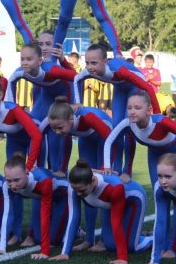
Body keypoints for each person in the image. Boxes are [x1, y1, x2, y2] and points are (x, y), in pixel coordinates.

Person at [43, 97, 121, 251]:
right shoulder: (62, 119)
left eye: (59, 128)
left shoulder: (87, 117)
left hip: (107, 141)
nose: (57, 132)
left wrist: (106, 165)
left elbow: (109, 139)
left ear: (71, 118)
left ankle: (104, 240)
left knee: (104, 189)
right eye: (54, 129)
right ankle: (89, 238)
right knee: (86, 189)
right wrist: (56, 167)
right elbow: (44, 136)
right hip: (87, 139)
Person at [51, 159, 152, 264]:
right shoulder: (75, 187)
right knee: (110, 245)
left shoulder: (114, 187)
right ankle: (138, 234)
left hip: (134, 200)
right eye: (75, 190)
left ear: (93, 181)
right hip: (111, 203)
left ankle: (152, 238)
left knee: (132, 247)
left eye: (82, 190)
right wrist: (65, 253)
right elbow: (73, 218)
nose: (78, 194)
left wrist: (122, 258)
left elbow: (116, 222)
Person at [103, 91, 176, 186]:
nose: (132, 111)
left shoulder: (161, 121)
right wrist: (107, 166)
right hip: (154, 153)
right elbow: (109, 141)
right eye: (129, 108)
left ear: (149, 110)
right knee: (158, 187)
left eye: (137, 108)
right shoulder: (127, 123)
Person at [0, 153, 68, 257]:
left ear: (26, 173)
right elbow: (7, 214)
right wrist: (2, 247)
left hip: (62, 196)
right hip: (40, 196)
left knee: (54, 240)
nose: (12, 185)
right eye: (9, 180)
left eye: (17, 180)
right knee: (37, 238)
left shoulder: (42, 181)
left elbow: (45, 214)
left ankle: (73, 228)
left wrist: (44, 252)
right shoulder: (6, 185)